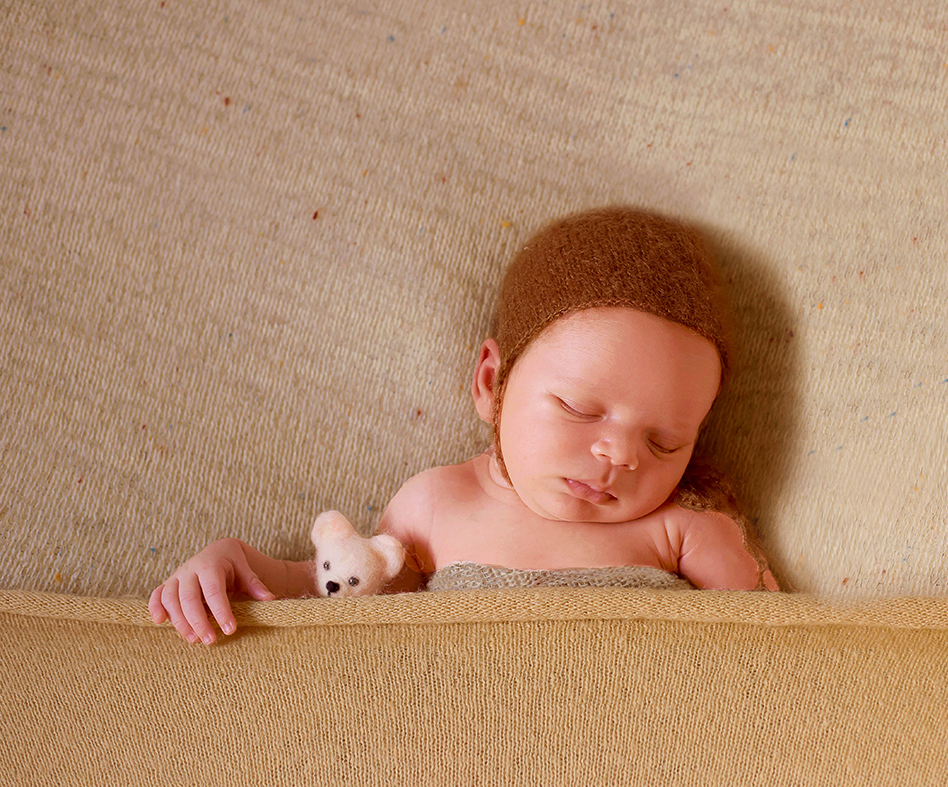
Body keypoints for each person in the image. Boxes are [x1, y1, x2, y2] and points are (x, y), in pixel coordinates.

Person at [149, 206, 779, 645]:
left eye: (664, 440)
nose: (618, 453)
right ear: (490, 383)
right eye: (579, 409)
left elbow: (776, 649)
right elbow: (333, 593)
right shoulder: (437, 507)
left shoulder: (679, 531)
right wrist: (233, 565)